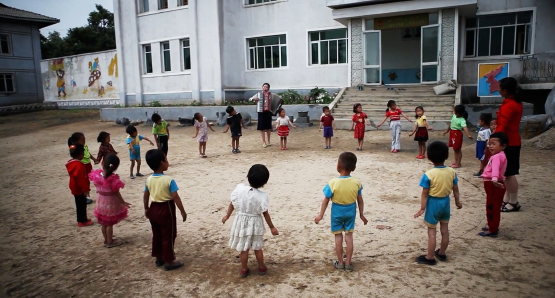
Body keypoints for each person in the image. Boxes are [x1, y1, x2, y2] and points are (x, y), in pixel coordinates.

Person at [222, 164, 279, 277]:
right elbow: (265, 214)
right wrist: (272, 227)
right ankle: (261, 267)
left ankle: (244, 269)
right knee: (258, 247)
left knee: (244, 248)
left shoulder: (239, 190)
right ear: (264, 182)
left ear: (248, 176)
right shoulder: (262, 196)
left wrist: (227, 216)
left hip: (241, 222)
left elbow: (232, 204)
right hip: (255, 223)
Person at [314, 152, 368, 272]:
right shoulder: (357, 182)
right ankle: (348, 263)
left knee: (338, 236)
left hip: (337, 212)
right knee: (349, 236)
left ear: (338, 165)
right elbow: (360, 200)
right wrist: (361, 214)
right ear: (354, 168)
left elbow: (326, 200)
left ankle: (340, 262)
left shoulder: (333, 182)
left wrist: (320, 215)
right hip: (351, 212)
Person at [414, 141, 462, 265]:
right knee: (445, 229)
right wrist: (457, 201)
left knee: (431, 231)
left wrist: (422, 208)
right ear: (446, 156)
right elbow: (455, 188)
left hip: (433, 203)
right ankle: (442, 252)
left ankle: (429, 257)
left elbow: (425, 193)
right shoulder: (451, 172)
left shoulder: (429, 174)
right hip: (446, 202)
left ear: (429, 157)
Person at [143, 149, 187, 271]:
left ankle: (158, 257)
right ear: (162, 163)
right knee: (168, 235)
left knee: (156, 234)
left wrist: (146, 208)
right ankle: (169, 261)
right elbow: (175, 197)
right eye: (166, 160)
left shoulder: (148, 179)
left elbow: (146, 195)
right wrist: (182, 211)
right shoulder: (169, 180)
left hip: (153, 208)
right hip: (166, 209)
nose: (168, 162)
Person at [89, 153, 131, 247]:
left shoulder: (96, 175)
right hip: (110, 201)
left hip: (100, 200)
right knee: (109, 223)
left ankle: (106, 239)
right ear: (115, 167)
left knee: (104, 222)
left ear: (103, 162)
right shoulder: (113, 179)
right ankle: (110, 241)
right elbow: (116, 192)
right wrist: (123, 202)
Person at [496, 77, 524, 212]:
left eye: (500, 88)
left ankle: (513, 202)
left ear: (506, 91)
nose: (498, 90)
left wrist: (494, 141)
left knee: (509, 173)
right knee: (506, 173)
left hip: (508, 142)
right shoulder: (514, 103)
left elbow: (503, 125)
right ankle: (507, 199)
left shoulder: (510, 105)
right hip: (512, 140)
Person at [479, 132, 509, 237]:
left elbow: (495, 170)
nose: (490, 146)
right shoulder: (500, 155)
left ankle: (492, 229)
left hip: (494, 184)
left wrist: (495, 179)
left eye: (494, 144)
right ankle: (491, 225)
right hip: (493, 183)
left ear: (503, 146)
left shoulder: (497, 157)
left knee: (492, 206)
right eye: (489, 143)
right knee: (493, 205)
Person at [65, 143, 93, 227]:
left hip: (75, 187)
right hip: (79, 189)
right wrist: (85, 189)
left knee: (80, 204)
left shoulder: (71, 163)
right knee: (81, 205)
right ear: (81, 153)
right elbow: (81, 179)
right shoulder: (79, 165)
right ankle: (82, 220)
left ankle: (82, 219)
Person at [68, 132, 97, 204]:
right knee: (83, 179)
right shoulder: (76, 150)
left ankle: (85, 193)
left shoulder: (83, 147)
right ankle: (85, 194)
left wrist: (93, 159)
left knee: (88, 179)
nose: (84, 142)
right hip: (82, 166)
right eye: (82, 140)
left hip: (87, 164)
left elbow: (88, 153)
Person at [250, 83, 276, 148]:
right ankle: (264, 142)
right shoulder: (258, 94)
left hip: (268, 112)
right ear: (262, 87)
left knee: (268, 127)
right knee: (261, 127)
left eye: (266, 87)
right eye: (264, 87)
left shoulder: (271, 95)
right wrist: (254, 99)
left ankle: (269, 141)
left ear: (268, 88)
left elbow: (274, 103)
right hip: (261, 112)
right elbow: (250, 99)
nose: (265, 88)